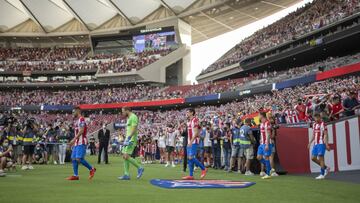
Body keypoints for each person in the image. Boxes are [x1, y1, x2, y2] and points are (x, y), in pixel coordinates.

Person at [66, 107, 96, 181]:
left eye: (74, 112)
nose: (73, 113)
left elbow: (82, 131)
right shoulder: (77, 121)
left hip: (81, 142)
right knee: (73, 158)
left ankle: (91, 169)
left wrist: (73, 139)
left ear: (78, 111)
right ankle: (75, 175)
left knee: (79, 158)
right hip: (77, 142)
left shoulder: (82, 119)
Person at [118, 107, 144, 180]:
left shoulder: (133, 117)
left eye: (123, 111)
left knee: (126, 156)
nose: (122, 113)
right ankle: (126, 174)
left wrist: (129, 138)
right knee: (124, 156)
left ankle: (140, 167)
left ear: (127, 110)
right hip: (128, 139)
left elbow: (134, 128)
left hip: (131, 139)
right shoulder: (129, 118)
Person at [182, 108, 207, 180]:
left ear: (192, 113)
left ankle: (203, 168)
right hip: (189, 141)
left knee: (191, 157)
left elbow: (196, 132)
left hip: (193, 142)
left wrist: (191, 141)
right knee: (189, 159)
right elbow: (199, 128)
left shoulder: (195, 120)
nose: (186, 114)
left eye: (188, 112)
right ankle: (191, 175)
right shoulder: (189, 121)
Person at [308, 113, 331, 180]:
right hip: (315, 143)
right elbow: (313, 134)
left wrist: (326, 144)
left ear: (320, 117)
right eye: (315, 118)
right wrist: (310, 142)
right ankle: (326, 168)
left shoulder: (323, 124)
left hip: (321, 143)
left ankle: (322, 174)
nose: (315, 119)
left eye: (317, 118)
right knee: (313, 158)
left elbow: (326, 135)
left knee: (321, 158)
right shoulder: (314, 124)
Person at [257, 112, 272, 179]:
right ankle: (269, 167)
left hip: (266, 143)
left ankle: (268, 174)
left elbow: (268, 134)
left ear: (262, 116)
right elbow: (262, 133)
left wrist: (267, 144)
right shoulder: (261, 124)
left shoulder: (267, 123)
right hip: (262, 143)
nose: (258, 116)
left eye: (259, 115)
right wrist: (260, 139)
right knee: (259, 157)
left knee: (266, 157)